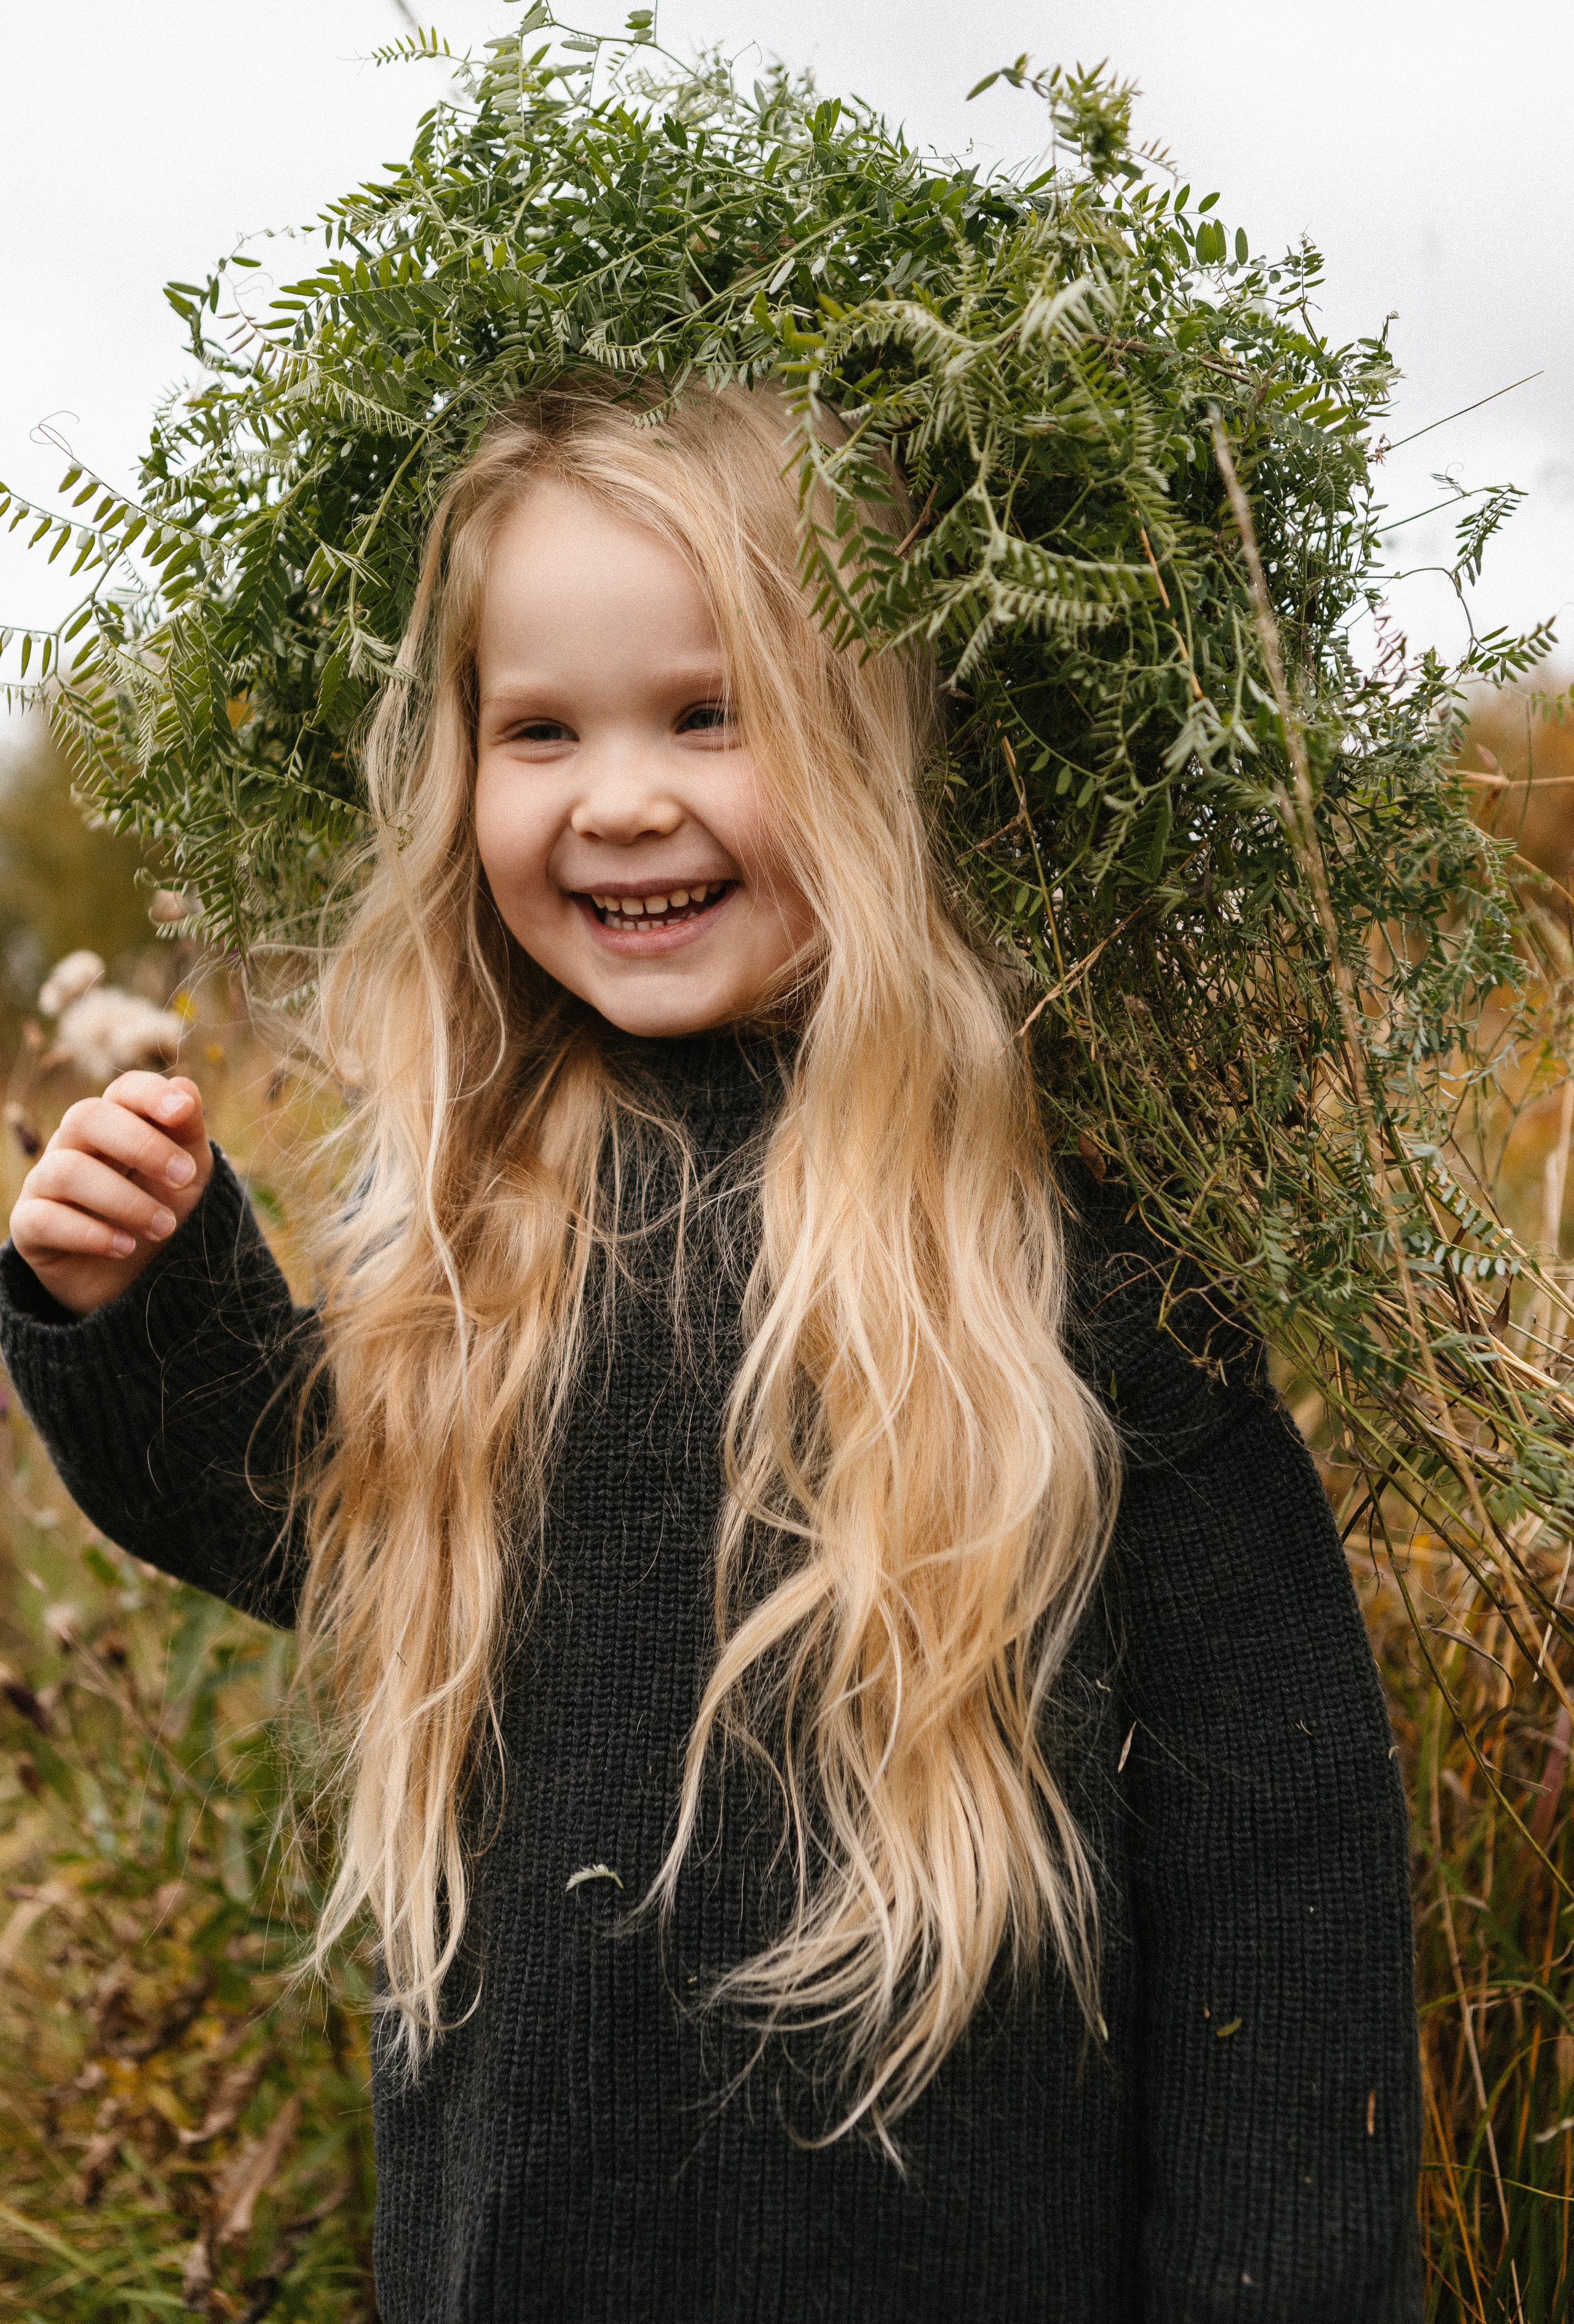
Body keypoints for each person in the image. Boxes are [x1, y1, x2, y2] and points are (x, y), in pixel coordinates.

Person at [0, 379, 1422, 2322]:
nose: (619, 797)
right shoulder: (479, 1228)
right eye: (538, 732)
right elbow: (315, 1522)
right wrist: (141, 1291)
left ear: (869, 749)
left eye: (708, 712)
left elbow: (1284, 1893)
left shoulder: (1071, 1273)